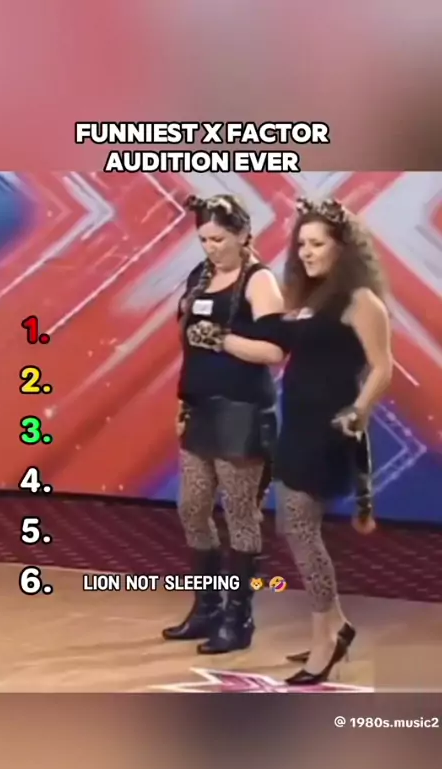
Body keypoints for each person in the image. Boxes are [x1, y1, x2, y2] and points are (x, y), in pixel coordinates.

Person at [187, 197, 393, 684]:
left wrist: (359, 411)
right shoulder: (312, 299)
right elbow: (274, 337)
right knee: (294, 528)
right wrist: (222, 334)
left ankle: (327, 638)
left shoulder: (362, 301)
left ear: (343, 247)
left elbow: (382, 367)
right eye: (301, 244)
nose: (306, 252)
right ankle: (335, 627)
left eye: (317, 244)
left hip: (328, 429)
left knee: (299, 529)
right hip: (296, 423)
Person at [162, 193, 283, 654]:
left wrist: (225, 340)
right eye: (204, 240)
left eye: (219, 239)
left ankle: (238, 619)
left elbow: (274, 351)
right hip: (200, 408)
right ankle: (207, 607)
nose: (211, 248)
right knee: (192, 508)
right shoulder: (201, 275)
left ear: (243, 234)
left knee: (239, 515)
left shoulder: (260, 281)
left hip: (242, 414)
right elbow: (190, 345)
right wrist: (183, 401)